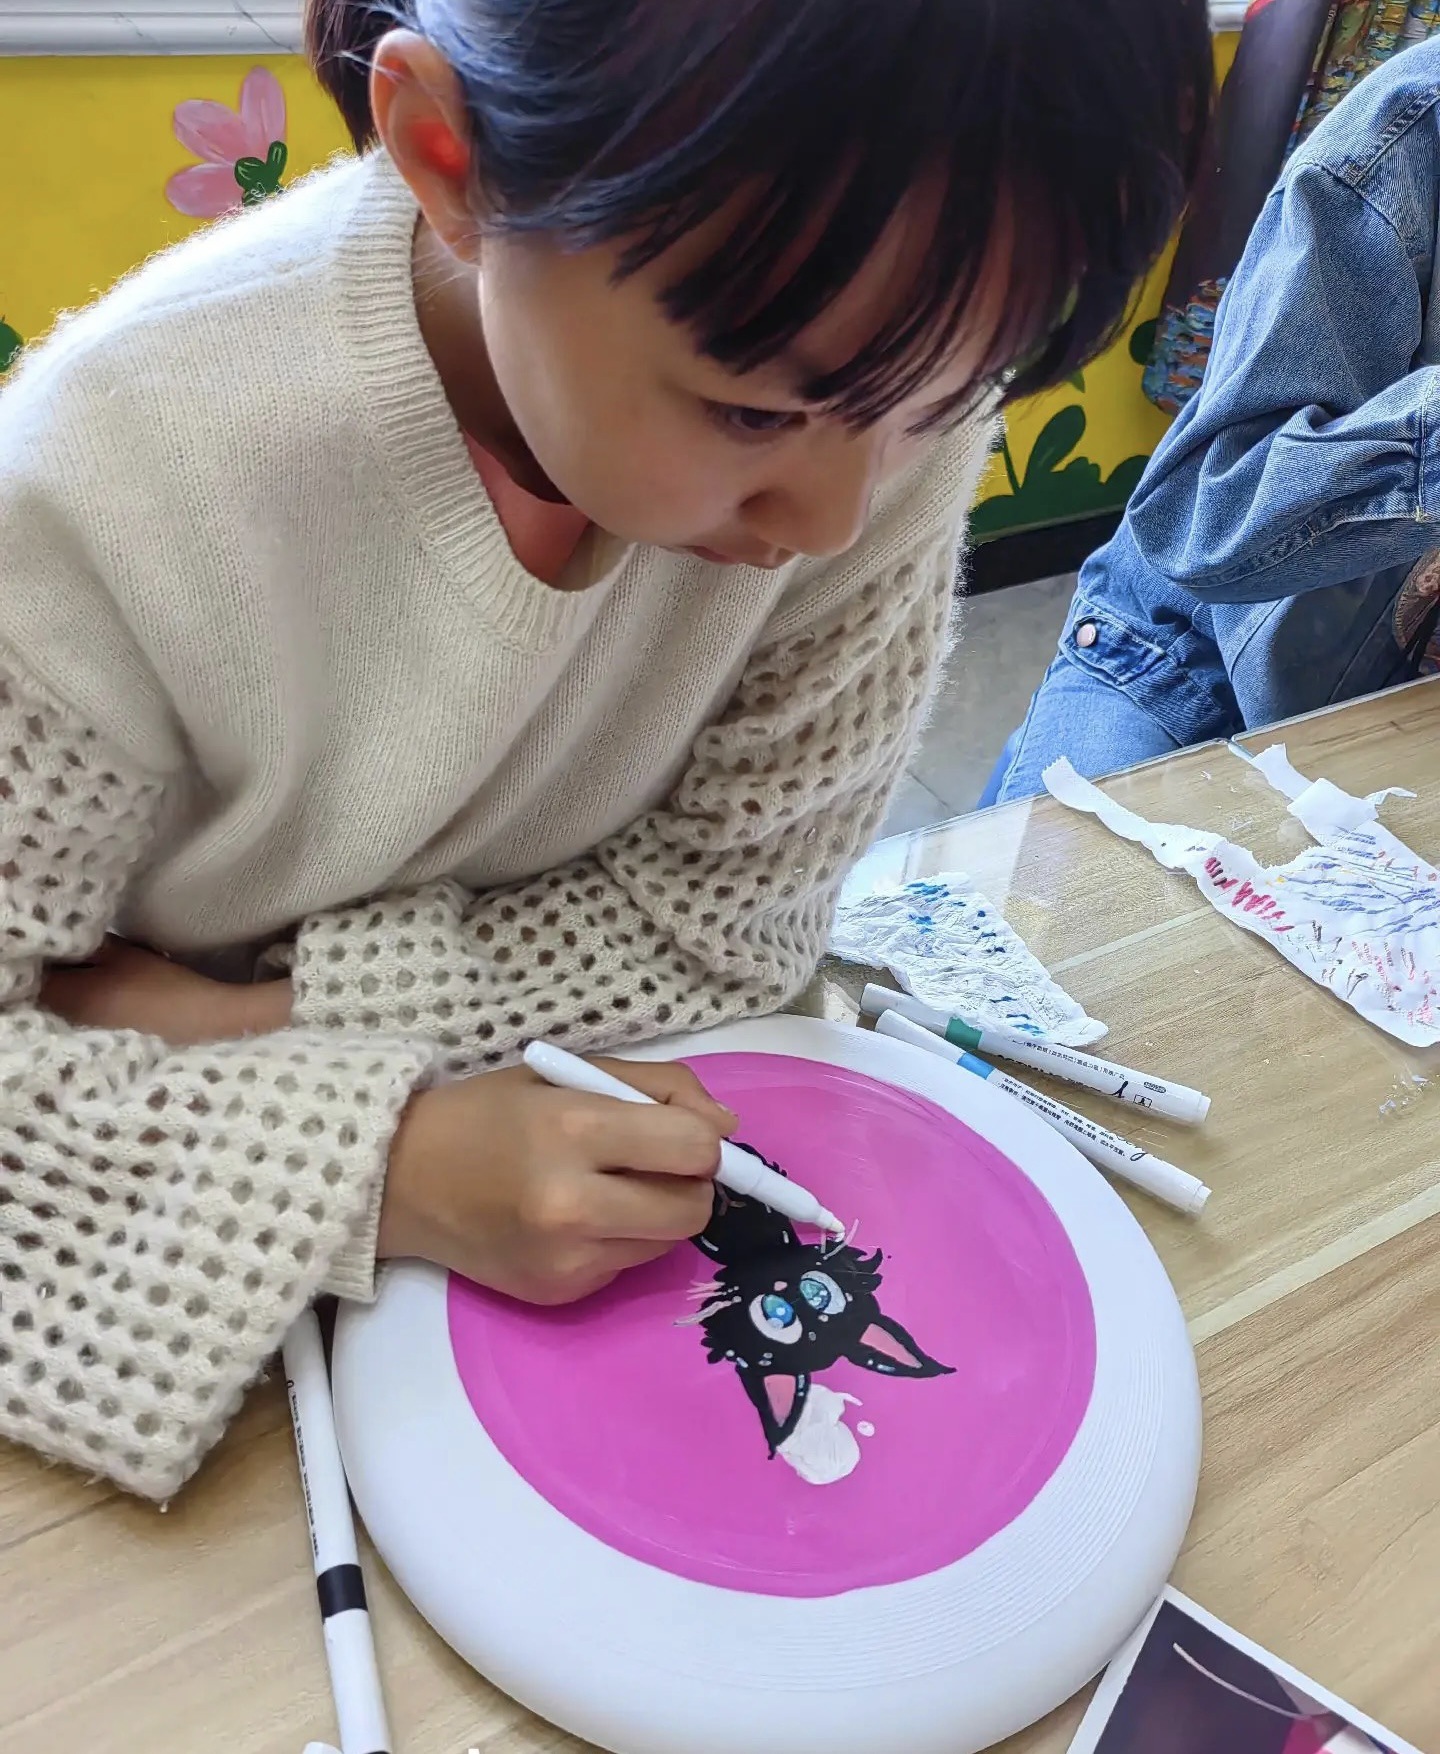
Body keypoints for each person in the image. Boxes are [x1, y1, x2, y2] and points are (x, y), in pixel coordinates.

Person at [0, 0, 1210, 1500]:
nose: (835, 519)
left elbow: (729, 934)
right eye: (749, 411)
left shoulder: (874, 383)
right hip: (214, 1329)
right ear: (448, 157)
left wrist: (216, 1015)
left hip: (521, 1197)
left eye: (955, 400)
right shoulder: (98, 489)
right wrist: (380, 1163)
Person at [988, 34, 1440, 805]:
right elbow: (1202, 520)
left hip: (1391, 716)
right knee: (1053, 880)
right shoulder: (1402, 144)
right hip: (1186, 661)